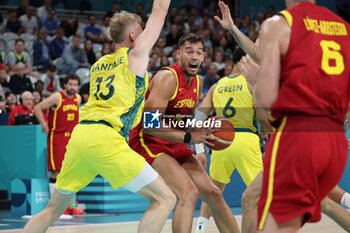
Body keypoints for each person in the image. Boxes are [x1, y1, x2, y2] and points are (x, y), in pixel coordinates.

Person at [21, 0, 175, 232]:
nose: (145, 36)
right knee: (165, 198)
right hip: (107, 137)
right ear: (133, 35)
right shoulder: (134, 57)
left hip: (81, 136)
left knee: (52, 210)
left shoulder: (99, 65)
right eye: (141, 31)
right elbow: (160, 10)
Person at [215, 1, 350, 233]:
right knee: (318, 201)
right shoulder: (341, 27)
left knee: (257, 204)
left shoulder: (281, 24)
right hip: (335, 136)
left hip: (299, 134)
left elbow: (266, 102)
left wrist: (259, 87)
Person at [129, 33, 240, 233]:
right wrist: (189, 138)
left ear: (204, 56)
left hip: (174, 141)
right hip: (147, 140)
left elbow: (186, 121)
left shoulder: (197, 82)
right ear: (179, 54)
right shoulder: (166, 78)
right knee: (188, 193)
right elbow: (149, 124)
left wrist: (199, 147)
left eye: (199, 52)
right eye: (189, 52)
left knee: (213, 193)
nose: (195, 57)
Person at [194, 47, 268, 233]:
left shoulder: (215, 86)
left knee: (214, 191)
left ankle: (200, 228)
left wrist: (200, 151)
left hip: (220, 143)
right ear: (246, 61)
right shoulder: (253, 83)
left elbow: (197, 120)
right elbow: (262, 116)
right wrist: (267, 129)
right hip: (245, 140)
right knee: (260, 193)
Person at [34, 74, 83, 215]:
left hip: (72, 139)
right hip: (57, 138)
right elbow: (38, 108)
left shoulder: (78, 98)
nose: (73, 87)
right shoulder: (57, 97)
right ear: (65, 85)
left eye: (75, 85)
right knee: (57, 171)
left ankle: (70, 206)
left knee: (71, 172)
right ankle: (55, 209)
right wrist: (44, 125)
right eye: (70, 84)